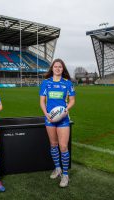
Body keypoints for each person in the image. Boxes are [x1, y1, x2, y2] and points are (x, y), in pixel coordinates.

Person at [39, 58, 76, 187]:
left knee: (63, 147)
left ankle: (65, 175)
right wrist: (46, 115)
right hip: (50, 118)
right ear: (52, 68)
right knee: (53, 145)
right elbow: (42, 102)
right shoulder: (46, 83)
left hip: (63, 119)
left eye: (60, 67)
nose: (58, 68)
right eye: (55, 66)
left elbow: (72, 100)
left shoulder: (67, 83)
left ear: (63, 69)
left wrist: (66, 109)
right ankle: (58, 168)